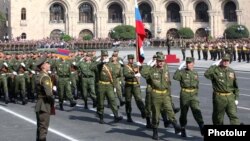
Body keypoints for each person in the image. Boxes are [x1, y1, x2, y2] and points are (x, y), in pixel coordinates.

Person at [141, 54, 181, 140]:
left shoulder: (165, 71)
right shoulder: (152, 71)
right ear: (156, 61)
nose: (161, 63)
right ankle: (155, 132)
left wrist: (169, 94)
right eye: (159, 61)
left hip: (165, 94)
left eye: (162, 61)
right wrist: (149, 64)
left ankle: (175, 125)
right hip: (156, 95)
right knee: (156, 114)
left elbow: (168, 83)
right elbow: (143, 73)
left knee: (170, 109)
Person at [204, 54, 240, 125]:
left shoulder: (231, 71)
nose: (226, 62)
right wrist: (214, 65)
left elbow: (235, 86)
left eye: (227, 61)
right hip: (219, 97)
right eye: (224, 60)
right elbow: (206, 74)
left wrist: (236, 98)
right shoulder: (216, 70)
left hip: (230, 97)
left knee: (233, 116)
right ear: (221, 61)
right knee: (218, 118)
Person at [173, 57, 204, 137]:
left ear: (193, 63)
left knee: (197, 110)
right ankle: (183, 128)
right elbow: (175, 77)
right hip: (185, 94)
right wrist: (179, 68)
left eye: (190, 63)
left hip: (193, 95)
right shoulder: (182, 72)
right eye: (187, 63)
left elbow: (197, 85)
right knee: (184, 113)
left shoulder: (195, 73)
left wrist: (195, 94)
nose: (188, 64)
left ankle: (201, 126)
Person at [90, 50, 123, 124]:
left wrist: (114, 85)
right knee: (101, 102)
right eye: (103, 56)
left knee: (112, 100)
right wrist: (101, 63)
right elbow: (91, 68)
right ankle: (101, 117)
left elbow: (114, 75)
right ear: (101, 56)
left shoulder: (110, 64)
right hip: (101, 85)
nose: (105, 57)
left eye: (106, 56)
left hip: (109, 85)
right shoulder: (98, 64)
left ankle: (116, 116)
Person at [35, 56, 55, 141]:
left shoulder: (39, 76)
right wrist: (53, 101)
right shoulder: (45, 77)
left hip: (39, 103)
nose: (49, 65)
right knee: (43, 128)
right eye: (47, 63)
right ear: (43, 66)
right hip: (44, 104)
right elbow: (49, 94)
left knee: (40, 127)